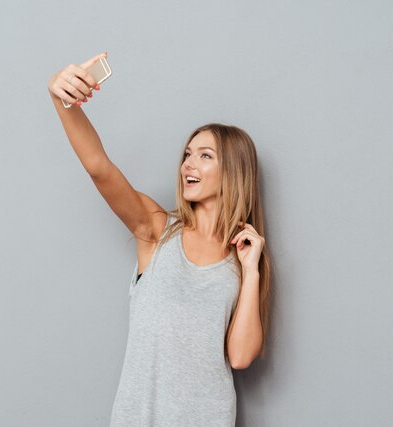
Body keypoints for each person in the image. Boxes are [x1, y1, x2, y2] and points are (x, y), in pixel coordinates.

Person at [47, 52, 272, 426]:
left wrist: (252, 271)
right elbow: (100, 168)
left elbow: (240, 357)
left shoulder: (241, 260)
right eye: (187, 154)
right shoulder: (157, 230)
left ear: (234, 170)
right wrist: (62, 101)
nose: (188, 164)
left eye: (205, 156)